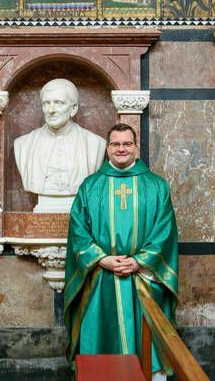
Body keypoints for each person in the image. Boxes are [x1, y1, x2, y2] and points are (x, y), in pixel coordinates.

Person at [64, 123, 178, 380]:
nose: (121, 149)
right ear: (107, 148)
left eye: (127, 143)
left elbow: (165, 231)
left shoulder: (157, 186)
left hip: (143, 279)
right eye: (115, 144)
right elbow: (78, 230)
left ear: (136, 147)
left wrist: (139, 262)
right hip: (100, 278)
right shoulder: (91, 186)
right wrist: (102, 259)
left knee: (146, 341)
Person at [14, 79, 106, 211]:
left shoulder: (95, 144)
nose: (51, 110)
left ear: (73, 109)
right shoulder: (23, 145)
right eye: (46, 103)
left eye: (59, 103)